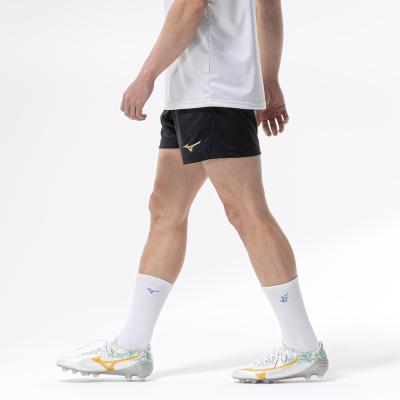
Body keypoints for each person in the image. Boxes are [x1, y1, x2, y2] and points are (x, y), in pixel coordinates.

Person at [57, 0, 328, 383]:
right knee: (165, 209)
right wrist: (267, 81)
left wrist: (145, 77)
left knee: (247, 212)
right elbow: (268, 7)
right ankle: (132, 346)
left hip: (211, 95)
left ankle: (302, 346)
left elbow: (190, 7)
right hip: (195, 94)